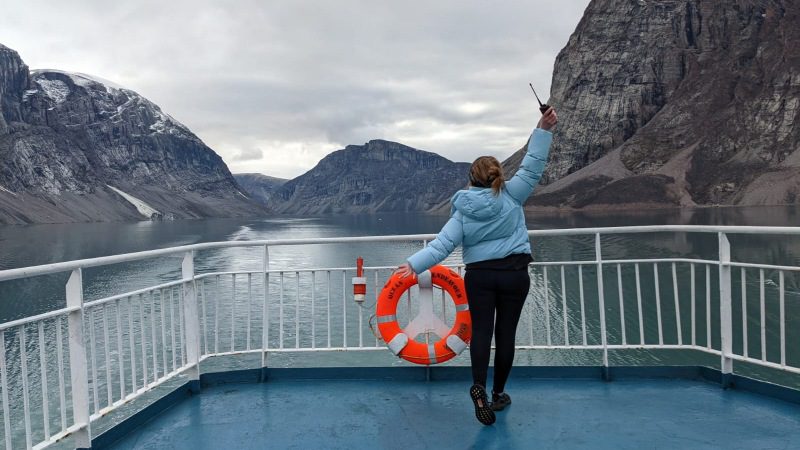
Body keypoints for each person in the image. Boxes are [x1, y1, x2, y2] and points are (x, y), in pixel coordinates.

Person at [394, 106, 557, 425]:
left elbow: (442, 245)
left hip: (480, 278)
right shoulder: (514, 195)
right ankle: (498, 395)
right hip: (514, 275)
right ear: (499, 175)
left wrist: (413, 264)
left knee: (481, 333)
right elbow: (533, 165)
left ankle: (478, 390)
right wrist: (543, 128)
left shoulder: (463, 211)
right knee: (505, 334)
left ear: (472, 179)